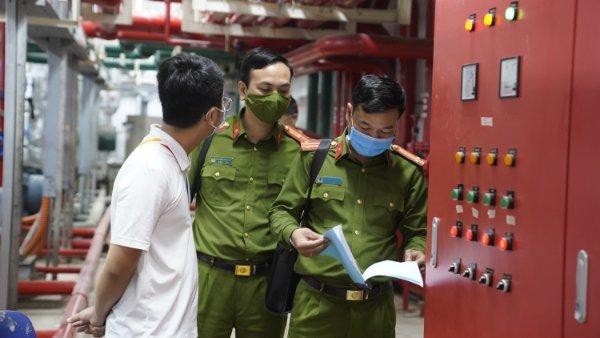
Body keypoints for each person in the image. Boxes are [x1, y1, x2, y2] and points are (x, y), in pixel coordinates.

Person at [67, 53, 225, 337]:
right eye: (223, 106)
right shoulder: (150, 169)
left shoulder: (167, 162)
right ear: (212, 116)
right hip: (149, 330)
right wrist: (100, 315)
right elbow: (119, 264)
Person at [269, 74, 427, 338]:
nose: (374, 137)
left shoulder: (407, 172)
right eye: (365, 127)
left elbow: (417, 231)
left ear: (398, 122)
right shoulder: (316, 158)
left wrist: (417, 250)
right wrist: (294, 234)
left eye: (385, 131)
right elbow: (281, 212)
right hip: (317, 306)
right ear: (349, 113)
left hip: (375, 311)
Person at [189, 47, 314, 338]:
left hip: (267, 283)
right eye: (266, 88)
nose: (275, 97)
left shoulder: (301, 151)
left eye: (284, 90)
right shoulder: (209, 141)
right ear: (243, 90)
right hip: (208, 279)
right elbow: (177, 203)